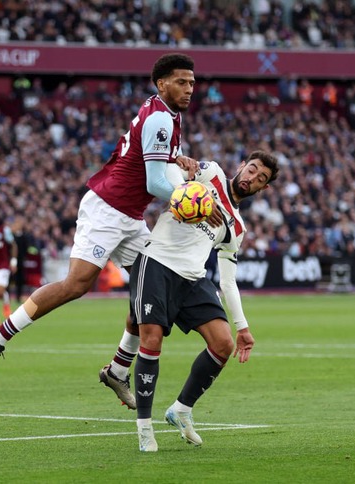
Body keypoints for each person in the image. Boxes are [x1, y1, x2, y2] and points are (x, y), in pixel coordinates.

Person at [0, 53, 222, 381]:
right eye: (181, 82)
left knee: (151, 287)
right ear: (162, 84)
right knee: (77, 284)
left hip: (130, 215)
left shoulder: (168, 114)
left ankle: (118, 371)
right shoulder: (161, 118)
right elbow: (153, 182)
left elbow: (150, 157)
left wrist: (178, 159)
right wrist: (193, 201)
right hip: (107, 207)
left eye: (192, 82)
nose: (189, 88)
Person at [127, 151, 279, 452]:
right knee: (152, 339)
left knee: (223, 344)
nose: (252, 178)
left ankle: (181, 409)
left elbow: (228, 280)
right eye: (251, 170)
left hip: (193, 279)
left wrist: (243, 327)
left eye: (261, 178)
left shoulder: (237, 227)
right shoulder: (211, 173)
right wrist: (181, 167)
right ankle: (145, 428)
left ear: (264, 188)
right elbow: (167, 176)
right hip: (157, 262)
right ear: (241, 167)